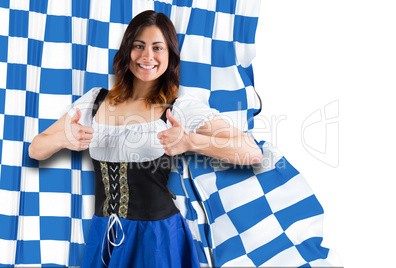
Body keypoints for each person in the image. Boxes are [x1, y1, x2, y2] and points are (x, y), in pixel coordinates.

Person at [29, 10, 262, 268]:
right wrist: (63, 139)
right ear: (127, 50)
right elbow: (36, 149)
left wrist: (191, 142)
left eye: (157, 47)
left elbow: (251, 152)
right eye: (138, 46)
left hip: (158, 237)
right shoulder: (95, 101)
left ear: (170, 56)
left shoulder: (178, 106)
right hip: (105, 234)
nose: (147, 56)